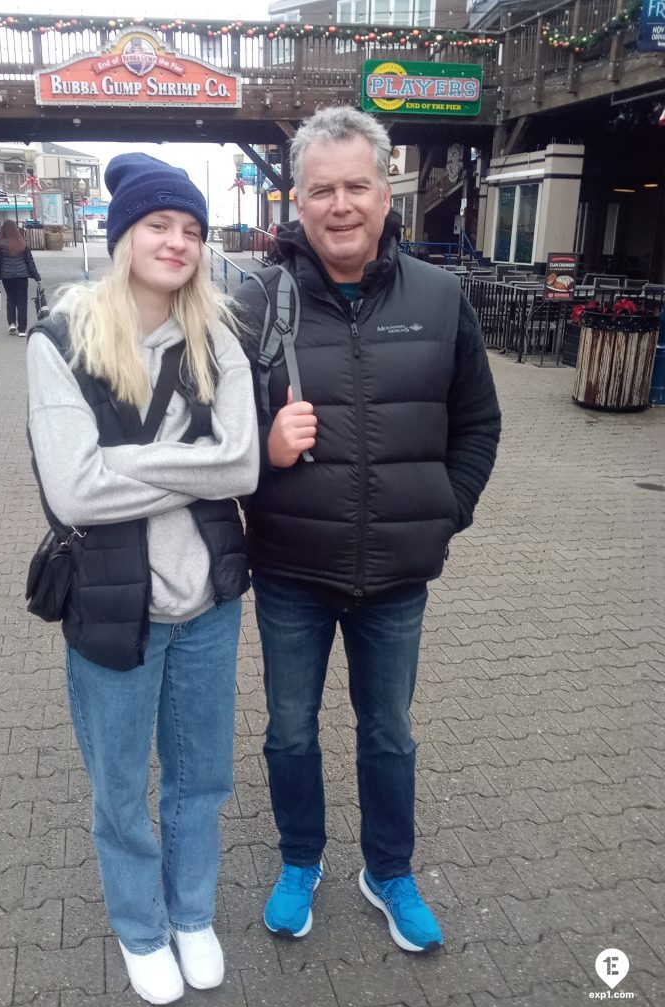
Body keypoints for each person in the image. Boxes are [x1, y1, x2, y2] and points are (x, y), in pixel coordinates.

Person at [235, 107, 501, 953]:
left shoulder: (441, 295)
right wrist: (264, 451)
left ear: (387, 196)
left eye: (357, 186)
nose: (340, 204)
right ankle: (300, 860)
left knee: (389, 732)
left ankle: (388, 870)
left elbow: (479, 424)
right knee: (289, 729)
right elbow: (214, 435)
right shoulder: (254, 301)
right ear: (298, 202)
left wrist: (444, 514)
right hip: (288, 570)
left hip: (397, 575)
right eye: (322, 189)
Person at [26, 154, 259, 1005]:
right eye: (160, 225)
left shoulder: (219, 338)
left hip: (209, 605)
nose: (179, 242)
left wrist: (133, 462)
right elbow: (74, 490)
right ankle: (141, 927)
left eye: (193, 230)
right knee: (121, 789)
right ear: (123, 234)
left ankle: (191, 913)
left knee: (201, 778)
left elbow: (241, 467)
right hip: (112, 607)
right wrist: (193, 464)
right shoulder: (60, 342)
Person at [0, 219, 41, 336]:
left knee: (11, 299)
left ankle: (12, 324)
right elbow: (30, 262)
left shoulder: (0, 244)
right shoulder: (22, 243)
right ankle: (22, 329)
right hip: (22, 276)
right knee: (22, 301)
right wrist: (37, 277)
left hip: (6, 276)